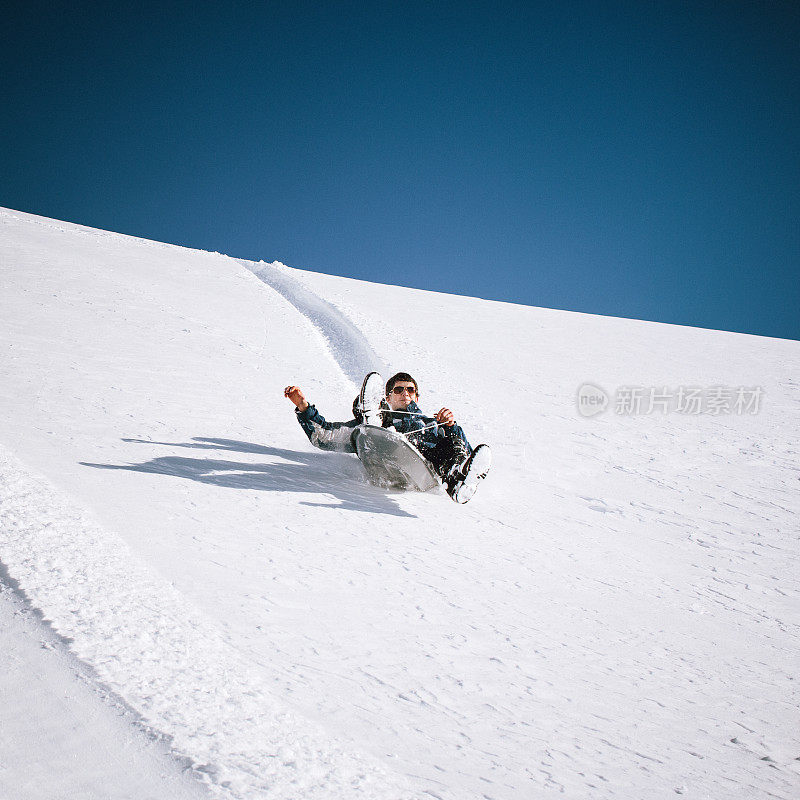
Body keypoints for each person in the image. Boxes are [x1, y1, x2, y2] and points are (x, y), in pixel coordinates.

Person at [284, 371, 491, 503]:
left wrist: (451, 427)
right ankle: (371, 415)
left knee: (453, 440)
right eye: (398, 389)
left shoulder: (433, 425)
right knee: (366, 429)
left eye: (410, 390)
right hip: (381, 449)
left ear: (417, 396)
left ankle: (457, 485)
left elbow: (465, 452)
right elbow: (325, 436)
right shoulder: (370, 430)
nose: (405, 393)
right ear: (388, 397)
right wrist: (303, 407)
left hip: (426, 467)